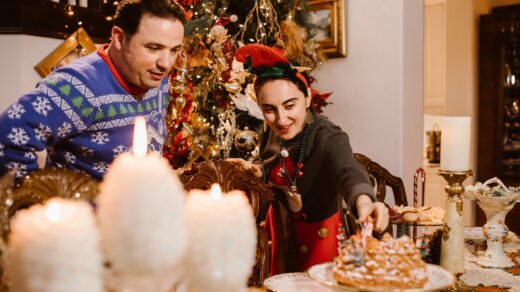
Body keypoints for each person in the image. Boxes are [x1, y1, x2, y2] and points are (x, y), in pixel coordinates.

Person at [230, 44, 389, 274]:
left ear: (306, 98)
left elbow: (349, 171)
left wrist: (365, 201)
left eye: (289, 105)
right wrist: (256, 169)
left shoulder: (328, 137)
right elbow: (269, 161)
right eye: (269, 109)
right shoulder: (274, 129)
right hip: (281, 238)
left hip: (320, 240)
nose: (281, 119)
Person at [0, 0, 185, 180]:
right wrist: (31, 198)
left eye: (174, 50)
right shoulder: (77, 86)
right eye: (153, 48)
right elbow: (8, 134)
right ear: (119, 38)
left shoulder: (155, 76)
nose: (166, 63)